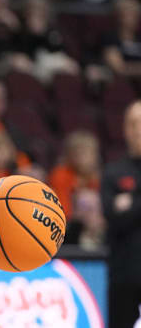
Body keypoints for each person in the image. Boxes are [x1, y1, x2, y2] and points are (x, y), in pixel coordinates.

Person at [101, 100, 141, 328]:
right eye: (133, 123)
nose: (138, 130)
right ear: (125, 129)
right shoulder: (113, 171)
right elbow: (114, 217)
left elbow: (125, 213)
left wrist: (131, 201)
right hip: (123, 276)